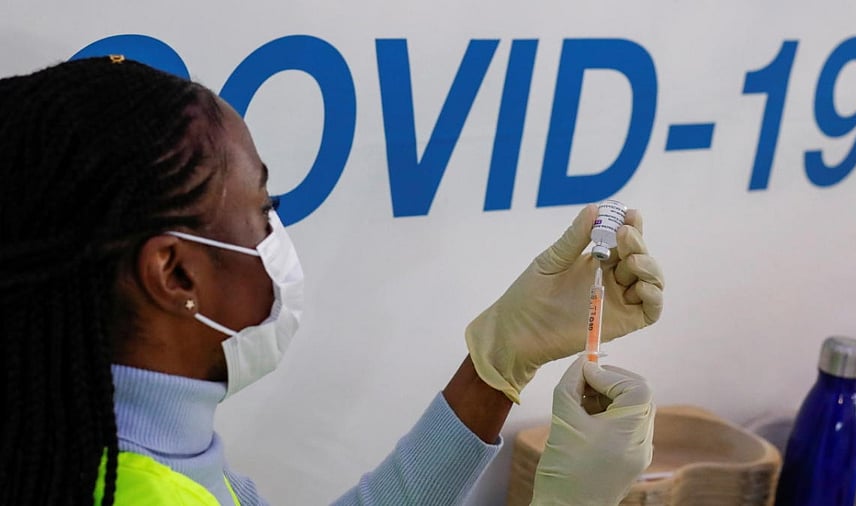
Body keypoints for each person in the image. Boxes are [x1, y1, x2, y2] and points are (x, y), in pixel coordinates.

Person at [0, 56, 664, 506]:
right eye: (263, 211)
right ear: (176, 272)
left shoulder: (97, 439)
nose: (276, 237)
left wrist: (499, 362)